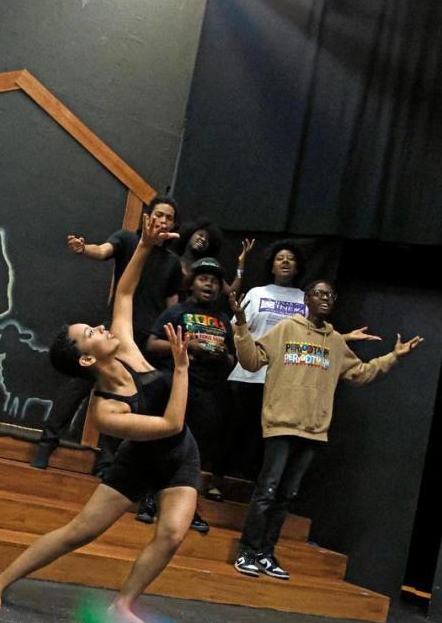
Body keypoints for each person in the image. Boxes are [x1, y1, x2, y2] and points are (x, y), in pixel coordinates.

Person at [0, 213, 196, 623]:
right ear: (85, 359)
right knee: (78, 532)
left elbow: (126, 291)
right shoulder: (106, 411)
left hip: (182, 454)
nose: (101, 327)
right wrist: (182, 369)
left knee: (171, 534)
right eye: (90, 332)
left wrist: (146, 246)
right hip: (142, 461)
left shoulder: (127, 346)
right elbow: (169, 422)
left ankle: (124, 605)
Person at [229, 280, 423, 579]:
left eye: (330, 295)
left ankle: (266, 554)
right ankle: (247, 552)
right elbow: (251, 360)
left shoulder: (334, 342)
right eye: (319, 293)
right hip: (281, 424)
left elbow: (361, 374)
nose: (325, 298)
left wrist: (393, 356)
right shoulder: (285, 329)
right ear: (306, 298)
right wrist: (241, 325)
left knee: (286, 496)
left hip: (313, 430)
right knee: (266, 492)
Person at [32, 196, 181, 471]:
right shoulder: (126, 239)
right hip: (114, 332)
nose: (163, 220)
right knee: (78, 387)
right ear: (147, 217)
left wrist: (176, 338)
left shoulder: (172, 262)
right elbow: (102, 251)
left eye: (169, 217)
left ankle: (107, 460)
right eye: (158, 214)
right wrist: (82, 248)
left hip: (142, 339)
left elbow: (173, 305)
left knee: (124, 398)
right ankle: (47, 444)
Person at [144, 257, 236, 531]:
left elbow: (233, 358)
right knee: (164, 444)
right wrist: (188, 345)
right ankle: (149, 498)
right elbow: (151, 344)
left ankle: (188, 510)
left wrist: (223, 356)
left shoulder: (223, 321)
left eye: (215, 281)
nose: (209, 283)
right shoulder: (177, 312)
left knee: (195, 453)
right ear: (191, 284)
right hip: (177, 389)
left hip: (210, 394)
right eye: (203, 278)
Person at [209, 241, 307, 493]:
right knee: (233, 431)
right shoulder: (256, 293)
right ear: (271, 266)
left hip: (281, 382)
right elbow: (236, 327)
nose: (285, 261)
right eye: (279, 258)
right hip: (247, 375)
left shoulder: (305, 300)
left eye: (290, 259)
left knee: (266, 439)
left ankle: (256, 491)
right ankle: (216, 481)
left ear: (297, 267)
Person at [173, 217, 223, 301]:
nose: (203, 239)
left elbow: (230, 291)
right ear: (189, 235)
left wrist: (241, 266)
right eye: (200, 235)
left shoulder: (203, 269)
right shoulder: (172, 262)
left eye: (207, 240)